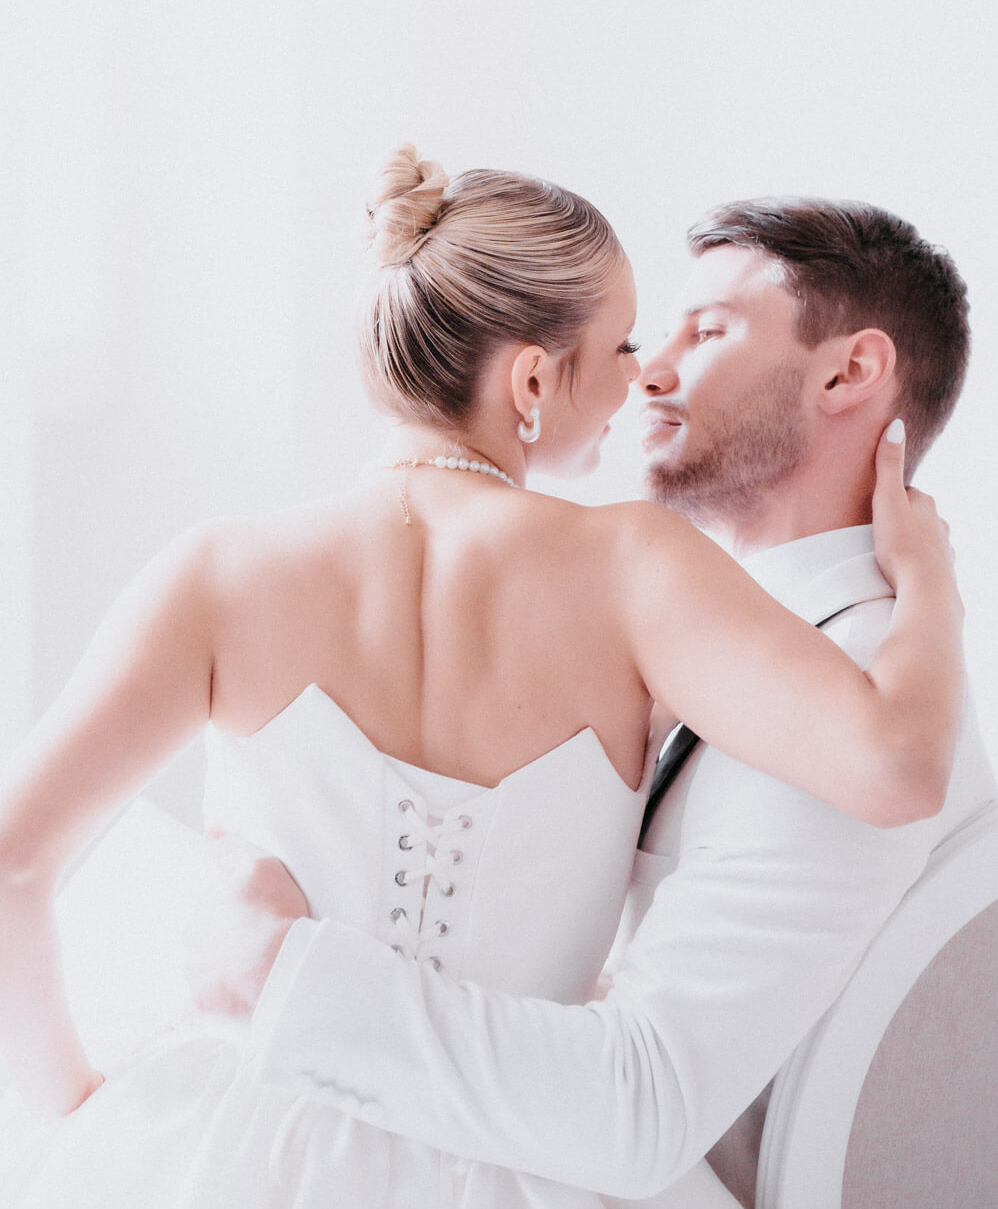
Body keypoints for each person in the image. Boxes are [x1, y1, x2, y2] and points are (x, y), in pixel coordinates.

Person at [0, 156, 964, 1209]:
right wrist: (929, 585)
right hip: (524, 1166)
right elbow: (892, 762)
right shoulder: (637, 571)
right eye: (623, 344)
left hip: (228, 1139)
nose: (639, 377)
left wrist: (79, 1113)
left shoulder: (216, 570)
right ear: (533, 381)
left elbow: (11, 867)